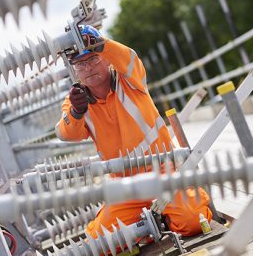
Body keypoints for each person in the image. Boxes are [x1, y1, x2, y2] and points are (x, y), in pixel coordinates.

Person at [55, 25, 212, 240]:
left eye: (93, 59)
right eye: (80, 65)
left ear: (107, 58)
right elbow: (66, 133)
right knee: (100, 241)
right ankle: (152, 223)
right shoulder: (76, 100)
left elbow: (129, 58)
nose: (88, 68)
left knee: (193, 220)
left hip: (166, 172)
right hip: (127, 187)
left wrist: (102, 44)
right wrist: (76, 111)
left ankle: (163, 218)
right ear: (74, 70)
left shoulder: (129, 79)